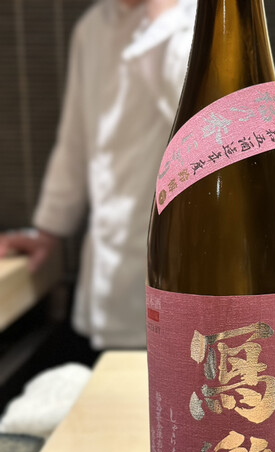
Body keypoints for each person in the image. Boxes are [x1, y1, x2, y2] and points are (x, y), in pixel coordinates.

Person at [0, 0, 194, 358]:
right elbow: (75, 143)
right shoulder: (92, 26)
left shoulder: (196, 17)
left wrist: (162, 19)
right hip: (102, 270)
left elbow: (201, 122)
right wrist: (48, 231)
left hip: (175, 266)